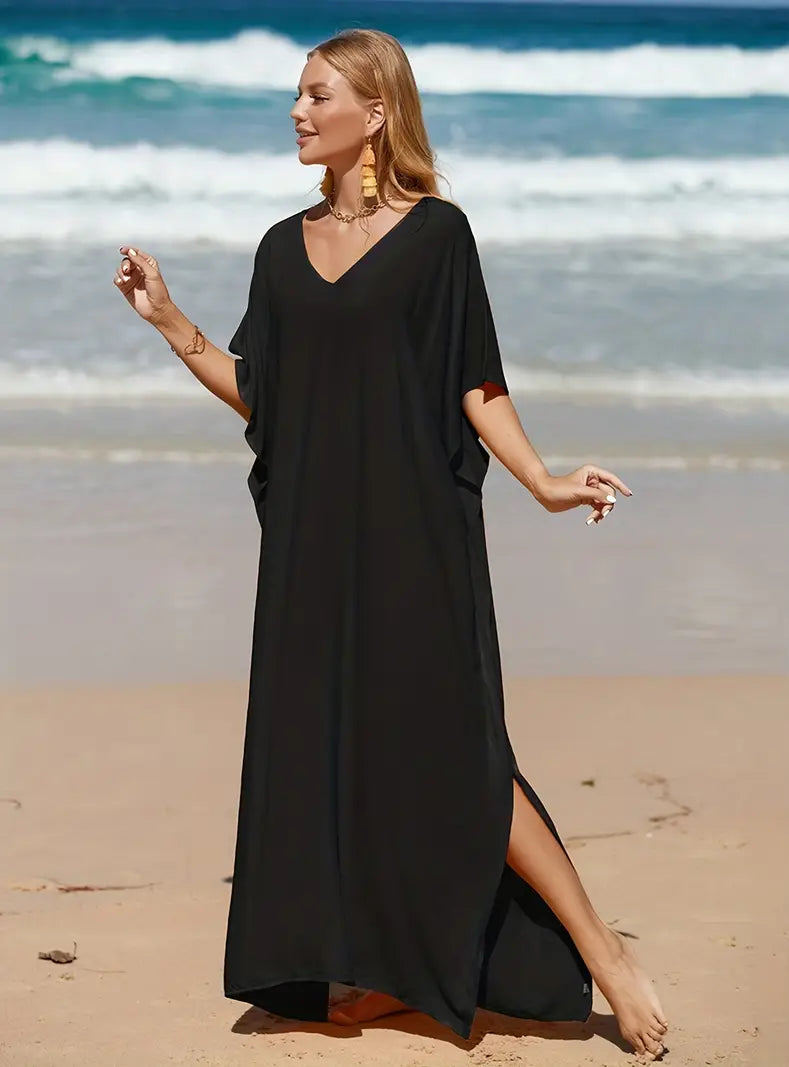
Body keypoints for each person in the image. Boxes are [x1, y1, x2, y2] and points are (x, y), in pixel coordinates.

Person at [112, 27, 668, 1063]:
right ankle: (381, 965)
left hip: (414, 529)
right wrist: (169, 321)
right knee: (342, 751)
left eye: (316, 93)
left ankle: (607, 956)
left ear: (375, 113)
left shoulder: (437, 236)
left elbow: (475, 382)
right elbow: (263, 395)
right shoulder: (280, 247)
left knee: (456, 750)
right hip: (312, 540)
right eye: (295, 93)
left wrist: (544, 482)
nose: (297, 110)